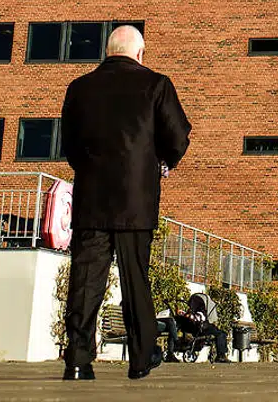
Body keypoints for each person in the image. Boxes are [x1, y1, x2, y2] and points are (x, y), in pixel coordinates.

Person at [61, 25, 191, 381]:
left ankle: (76, 360)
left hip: (91, 200)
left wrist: (88, 169)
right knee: (135, 279)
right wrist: (162, 162)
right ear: (140, 53)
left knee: (86, 281)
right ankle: (141, 356)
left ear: (108, 51)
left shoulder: (80, 88)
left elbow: (69, 144)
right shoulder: (156, 85)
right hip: (136, 200)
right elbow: (178, 136)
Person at [157, 294, 231, 363]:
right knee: (221, 334)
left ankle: (171, 352)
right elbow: (199, 318)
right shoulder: (200, 314)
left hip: (191, 326)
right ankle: (221, 355)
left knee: (174, 327)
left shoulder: (191, 313)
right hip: (201, 328)